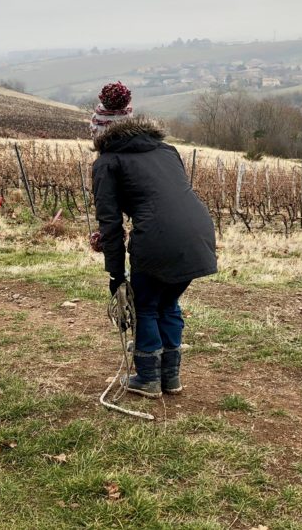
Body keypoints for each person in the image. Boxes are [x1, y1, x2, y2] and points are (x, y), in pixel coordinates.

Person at [90, 82, 217, 398]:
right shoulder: (166, 150)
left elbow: (111, 223)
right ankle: (170, 378)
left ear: (100, 130)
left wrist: (116, 275)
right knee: (168, 302)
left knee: (145, 305)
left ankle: (147, 379)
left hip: (158, 238)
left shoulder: (107, 163)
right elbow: (164, 198)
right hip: (198, 235)